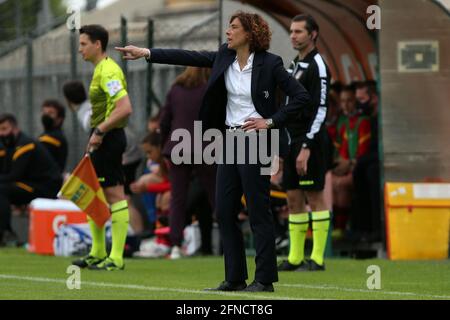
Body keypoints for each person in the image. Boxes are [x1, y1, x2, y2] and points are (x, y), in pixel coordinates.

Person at [116, 11, 311, 292]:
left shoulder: (271, 64)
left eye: (233, 28)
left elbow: (301, 96)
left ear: (250, 33)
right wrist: (146, 52)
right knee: (223, 209)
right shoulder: (224, 56)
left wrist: (269, 122)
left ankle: (264, 279)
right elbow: (188, 56)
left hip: (256, 141)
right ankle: (234, 278)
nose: (228, 32)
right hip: (228, 141)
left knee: (258, 211)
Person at [71, 24, 133, 271]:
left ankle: (115, 258)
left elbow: (125, 108)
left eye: (84, 44)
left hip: (109, 138)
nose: (80, 49)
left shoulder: (108, 71)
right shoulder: (101, 69)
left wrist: (99, 131)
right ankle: (97, 252)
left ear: (98, 44)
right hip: (103, 136)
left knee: (114, 195)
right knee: (92, 191)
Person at [277, 14, 331, 272]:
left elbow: (321, 109)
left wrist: (307, 146)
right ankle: (295, 257)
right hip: (291, 139)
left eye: (299, 31)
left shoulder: (318, 65)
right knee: (293, 198)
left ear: (313, 34)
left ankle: (317, 258)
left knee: (314, 196)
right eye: (291, 31)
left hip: (310, 140)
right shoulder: (293, 64)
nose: (293, 36)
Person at [62, 80, 144, 234]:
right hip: (130, 150)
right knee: (122, 197)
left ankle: (135, 235)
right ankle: (132, 234)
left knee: (121, 198)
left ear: (67, 100)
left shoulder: (85, 113)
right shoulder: (90, 106)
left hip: (125, 153)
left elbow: (99, 128)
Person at [159, 66, 217, 260]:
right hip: (207, 146)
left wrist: (164, 147)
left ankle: (175, 244)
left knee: (178, 198)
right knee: (216, 196)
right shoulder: (211, 88)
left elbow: (164, 121)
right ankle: (229, 240)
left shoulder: (176, 89)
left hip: (177, 147)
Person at [0, 114, 62, 245]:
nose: (2, 134)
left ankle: (5, 233)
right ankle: (7, 232)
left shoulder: (25, 144)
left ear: (15, 128)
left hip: (44, 187)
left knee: (2, 190)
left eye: (4, 129)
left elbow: (14, 175)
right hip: (28, 184)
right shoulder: (10, 147)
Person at [332, 85, 371, 234]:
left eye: (349, 100)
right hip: (344, 167)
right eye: (342, 101)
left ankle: (341, 228)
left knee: (341, 184)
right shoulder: (341, 122)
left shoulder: (363, 121)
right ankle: (333, 227)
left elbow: (363, 153)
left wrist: (350, 164)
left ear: (355, 101)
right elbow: (338, 150)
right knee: (330, 181)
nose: (345, 105)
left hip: (357, 168)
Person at [38, 99, 68, 174]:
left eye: (50, 113)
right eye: (44, 112)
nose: (46, 115)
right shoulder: (46, 136)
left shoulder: (52, 139)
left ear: (60, 119)